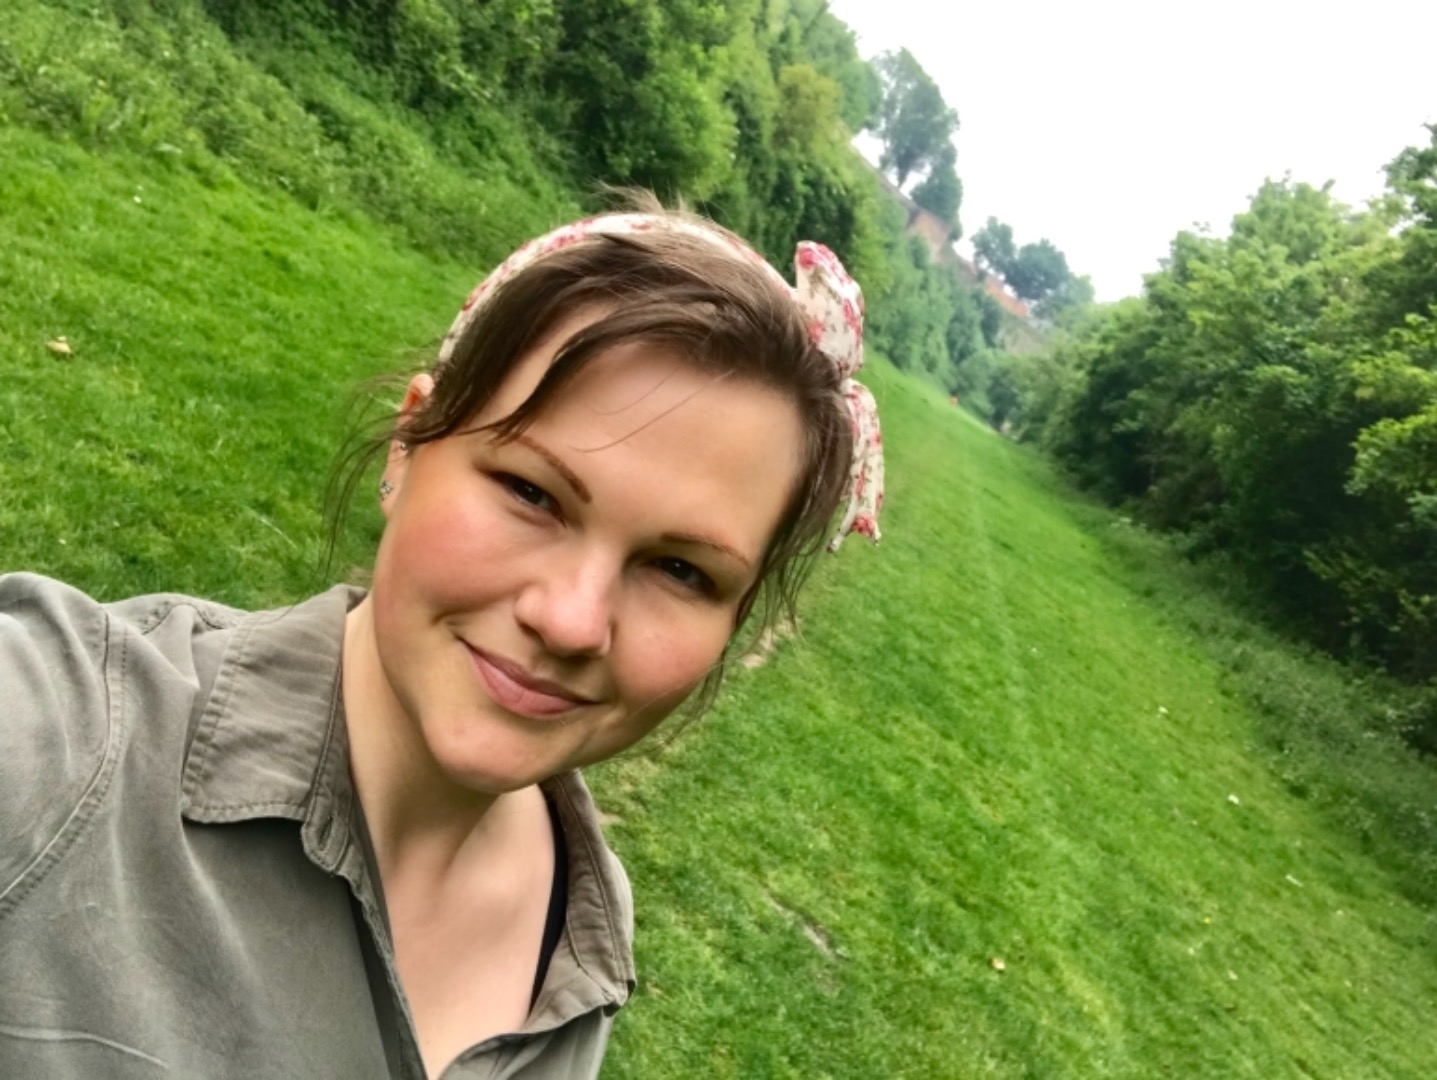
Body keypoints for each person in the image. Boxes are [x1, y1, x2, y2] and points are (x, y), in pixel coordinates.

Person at [0, 202, 883, 1079]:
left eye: (681, 571)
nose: (571, 621)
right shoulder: (60, 741)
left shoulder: (581, 929)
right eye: (531, 493)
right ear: (407, 444)